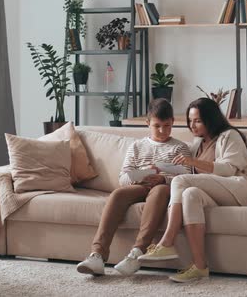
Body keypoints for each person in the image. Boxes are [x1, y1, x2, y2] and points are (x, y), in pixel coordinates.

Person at [138, 98, 247, 283]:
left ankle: (167, 241)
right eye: (190, 121)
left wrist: (192, 162)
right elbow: (193, 176)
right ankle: (200, 266)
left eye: (198, 121)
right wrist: (160, 170)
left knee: (181, 181)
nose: (192, 125)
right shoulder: (196, 144)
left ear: (211, 119)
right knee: (189, 194)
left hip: (238, 188)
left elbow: (228, 169)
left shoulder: (229, 136)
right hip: (215, 192)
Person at [76, 98, 191, 276]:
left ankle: (136, 254)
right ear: (148, 123)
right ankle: (97, 255)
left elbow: (186, 176)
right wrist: (140, 176)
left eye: (167, 126)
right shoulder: (137, 146)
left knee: (159, 191)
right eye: (157, 126)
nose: (162, 131)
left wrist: (162, 179)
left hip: (164, 189)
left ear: (173, 122)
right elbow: (123, 177)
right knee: (118, 194)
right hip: (140, 185)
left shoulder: (179, 148)